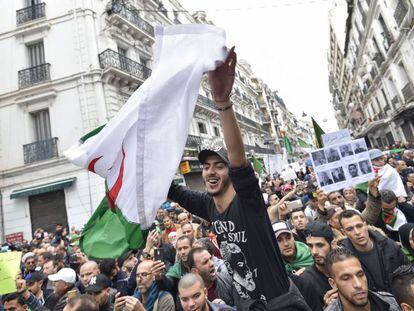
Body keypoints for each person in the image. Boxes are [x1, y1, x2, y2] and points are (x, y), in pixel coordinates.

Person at [163, 47, 310, 310]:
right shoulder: (209, 206)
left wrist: (222, 101)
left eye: (219, 166)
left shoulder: (248, 201)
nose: (210, 172)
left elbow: (240, 161)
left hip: (282, 303)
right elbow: (172, 190)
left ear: (230, 172)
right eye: (206, 166)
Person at [338, 209, 408, 293]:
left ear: (365, 225)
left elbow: (407, 270)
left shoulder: (388, 244)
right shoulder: (344, 258)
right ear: (344, 232)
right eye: (350, 229)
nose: (357, 232)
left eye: (359, 226)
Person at [324, 247, 400, 311]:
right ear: (333, 284)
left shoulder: (390, 303)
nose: (358, 284)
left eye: (360, 275)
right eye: (346, 278)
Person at [300, 222, 335, 307]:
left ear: (333, 244)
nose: (314, 252)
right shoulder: (306, 281)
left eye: (320, 245)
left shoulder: (348, 267)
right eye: (310, 246)